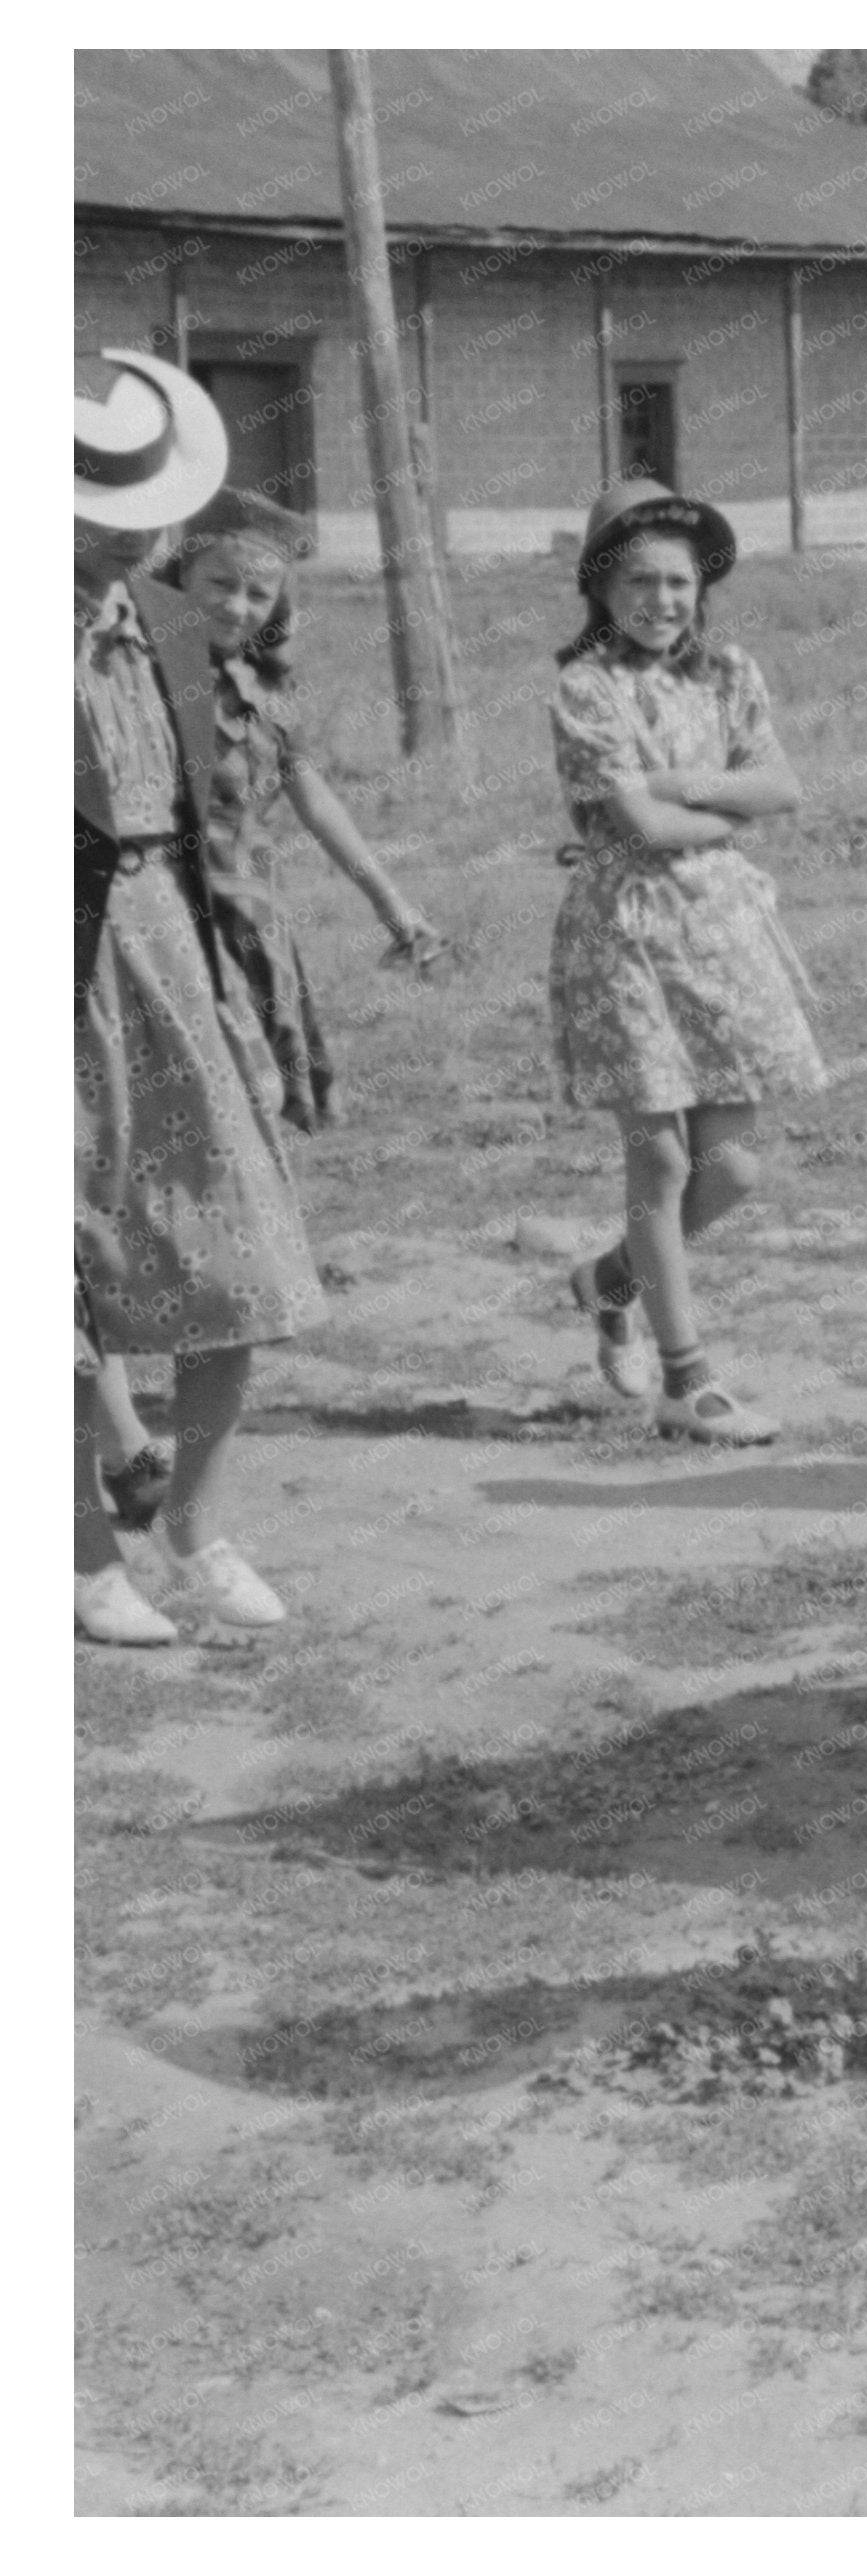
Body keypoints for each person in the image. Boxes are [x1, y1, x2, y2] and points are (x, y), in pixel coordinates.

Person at [74, 350, 325, 1641]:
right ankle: (72, 1548)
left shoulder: (169, 631)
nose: (128, 533)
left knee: (235, 1242)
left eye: (144, 505)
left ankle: (191, 1521)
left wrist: (238, 1003)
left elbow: (202, 831)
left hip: (164, 949)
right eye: (92, 502)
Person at [546, 477, 823, 1448]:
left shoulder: (729, 674)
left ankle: (609, 1280)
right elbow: (640, 824)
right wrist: (718, 807)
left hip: (722, 932)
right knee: (660, 1156)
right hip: (625, 934)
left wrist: (689, 781)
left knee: (733, 1169)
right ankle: (687, 1381)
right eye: (640, 583)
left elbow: (781, 784)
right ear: (603, 591)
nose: (662, 602)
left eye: (678, 583)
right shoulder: (586, 688)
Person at [161, 481, 455, 1139]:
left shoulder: (264, 684)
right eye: (220, 584)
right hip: (170, 919)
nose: (237, 606)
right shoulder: (142, 669)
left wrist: (391, 904)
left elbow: (312, 796)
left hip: (251, 916)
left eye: (258, 594)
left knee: (251, 1105)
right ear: (183, 574)